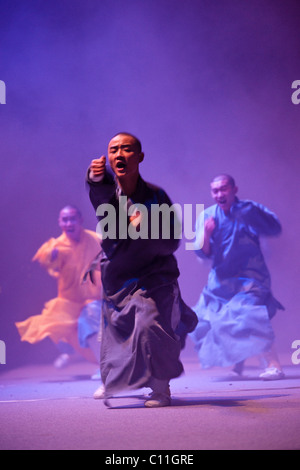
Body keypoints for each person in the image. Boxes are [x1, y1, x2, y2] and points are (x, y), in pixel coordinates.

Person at [86, 132, 197, 407]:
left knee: (151, 324)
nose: (119, 154)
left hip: (154, 276)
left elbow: (172, 240)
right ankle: (111, 380)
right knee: (115, 331)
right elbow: (102, 199)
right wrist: (95, 179)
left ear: (140, 156)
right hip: (119, 279)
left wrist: (148, 229)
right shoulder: (108, 195)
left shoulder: (156, 196)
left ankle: (161, 388)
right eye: (114, 150)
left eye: (126, 149)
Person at [191, 174, 285, 380]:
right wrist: (206, 234)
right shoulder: (207, 216)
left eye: (223, 189)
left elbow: (274, 228)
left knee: (250, 315)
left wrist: (254, 216)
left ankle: (274, 364)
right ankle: (239, 363)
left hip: (251, 278)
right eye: (215, 191)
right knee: (208, 321)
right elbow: (202, 251)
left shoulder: (249, 210)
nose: (219, 194)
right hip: (221, 282)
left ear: (234, 190)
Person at [16, 205, 103, 374]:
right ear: (59, 222)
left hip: (93, 298)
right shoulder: (56, 246)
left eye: (72, 219)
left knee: (92, 327)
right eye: (65, 219)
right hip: (69, 302)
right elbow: (46, 260)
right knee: (59, 330)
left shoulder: (95, 240)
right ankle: (72, 354)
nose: (69, 223)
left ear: (80, 220)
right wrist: (51, 257)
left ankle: (104, 366)